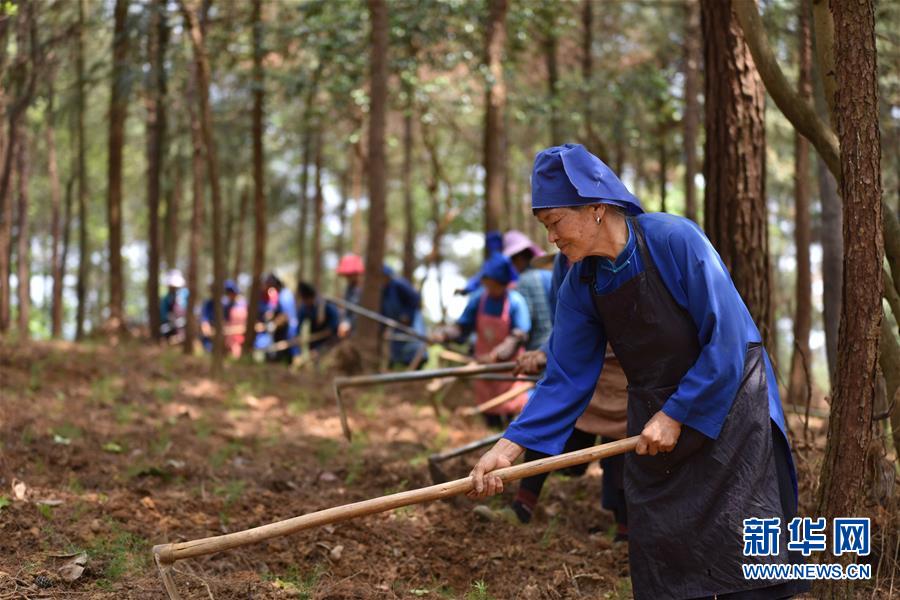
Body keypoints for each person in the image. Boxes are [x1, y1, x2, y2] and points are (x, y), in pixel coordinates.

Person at [469, 144, 806, 599]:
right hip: (653, 412)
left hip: (727, 405)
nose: (552, 238)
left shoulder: (674, 240)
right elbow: (564, 378)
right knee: (661, 550)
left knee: (741, 547)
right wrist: (506, 450)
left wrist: (679, 413)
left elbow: (728, 338)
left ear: (595, 209)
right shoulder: (580, 284)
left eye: (555, 223)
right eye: (545, 227)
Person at [430, 253, 531, 429]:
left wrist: (496, 356)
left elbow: (518, 336)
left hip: (508, 371)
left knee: (510, 416)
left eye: (494, 284)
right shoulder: (479, 298)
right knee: (488, 415)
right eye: (487, 283)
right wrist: (444, 334)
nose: (490, 288)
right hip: (483, 369)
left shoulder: (516, 302)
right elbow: (462, 327)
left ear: (503, 283)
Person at [502, 230, 552, 351]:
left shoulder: (523, 281)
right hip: (559, 345)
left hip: (537, 349)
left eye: (513, 261)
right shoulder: (550, 274)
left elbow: (525, 322)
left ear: (519, 258)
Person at [379, 265, 428, 368]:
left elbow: (414, 298)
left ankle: (417, 367)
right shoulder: (383, 291)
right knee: (398, 349)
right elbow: (383, 311)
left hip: (412, 320)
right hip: (396, 324)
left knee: (414, 343)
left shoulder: (398, 284)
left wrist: (407, 315)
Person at [455, 230, 510, 296]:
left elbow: (480, 278)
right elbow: (479, 278)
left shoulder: (499, 260)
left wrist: (467, 289)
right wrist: (467, 289)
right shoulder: (500, 259)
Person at [260, 273, 299, 364]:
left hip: (289, 332)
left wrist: (273, 325)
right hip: (283, 332)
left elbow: (286, 316)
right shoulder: (280, 295)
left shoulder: (285, 295)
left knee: (287, 357)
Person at [296, 281, 340, 357]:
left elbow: (335, 323)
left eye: (307, 300)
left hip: (329, 340)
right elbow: (299, 325)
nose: (305, 302)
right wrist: (298, 337)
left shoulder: (327, 306)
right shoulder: (304, 308)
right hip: (314, 341)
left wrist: (329, 330)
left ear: (312, 297)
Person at [336, 253, 364, 338]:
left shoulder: (361, 289)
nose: (347, 278)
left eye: (350, 275)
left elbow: (356, 310)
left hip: (359, 329)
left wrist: (348, 323)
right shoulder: (349, 288)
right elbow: (347, 309)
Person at [160, 269, 188, 341]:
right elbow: (163, 314)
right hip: (170, 325)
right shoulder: (166, 299)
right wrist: (170, 318)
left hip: (184, 324)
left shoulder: (185, 294)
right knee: (164, 329)